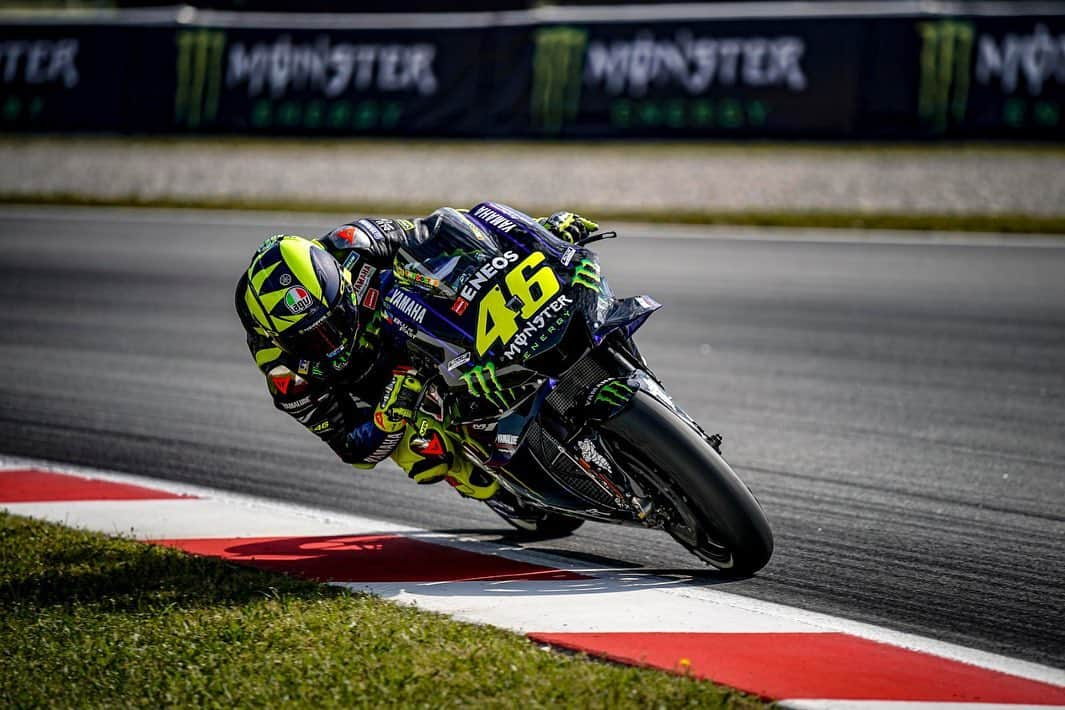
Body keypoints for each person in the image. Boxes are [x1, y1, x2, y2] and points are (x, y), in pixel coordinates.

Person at [234, 208, 598, 501]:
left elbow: (446, 231)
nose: (329, 339)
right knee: (426, 458)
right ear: (278, 340)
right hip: (388, 390)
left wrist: (536, 234)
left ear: (340, 282)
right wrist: (386, 420)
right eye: (310, 339)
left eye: (333, 319)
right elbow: (349, 447)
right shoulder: (283, 371)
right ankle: (499, 488)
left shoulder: (353, 243)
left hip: (427, 321)